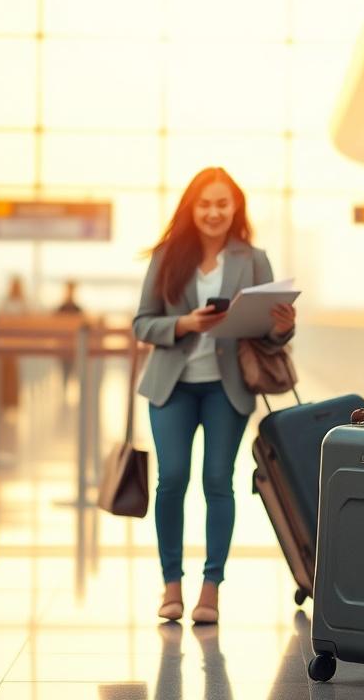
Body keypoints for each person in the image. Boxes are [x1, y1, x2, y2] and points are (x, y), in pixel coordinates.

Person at [134, 167, 295, 624]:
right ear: (191, 207)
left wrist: (283, 327)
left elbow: (270, 331)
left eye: (222, 204)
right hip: (172, 385)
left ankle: (210, 590)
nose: (213, 212)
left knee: (217, 482)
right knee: (173, 478)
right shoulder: (167, 256)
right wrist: (183, 324)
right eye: (204, 203)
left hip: (228, 387)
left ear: (235, 208)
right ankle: (170, 585)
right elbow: (142, 322)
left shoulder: (253, 258)